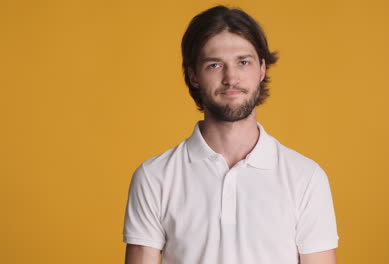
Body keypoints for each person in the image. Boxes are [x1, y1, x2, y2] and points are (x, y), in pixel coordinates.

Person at [123, 5, 339, 264]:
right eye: (214, 65)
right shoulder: (154, 177)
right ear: (193, 75)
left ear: (261, 70)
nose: (231, 77)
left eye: (243, 62)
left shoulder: (306, 177)